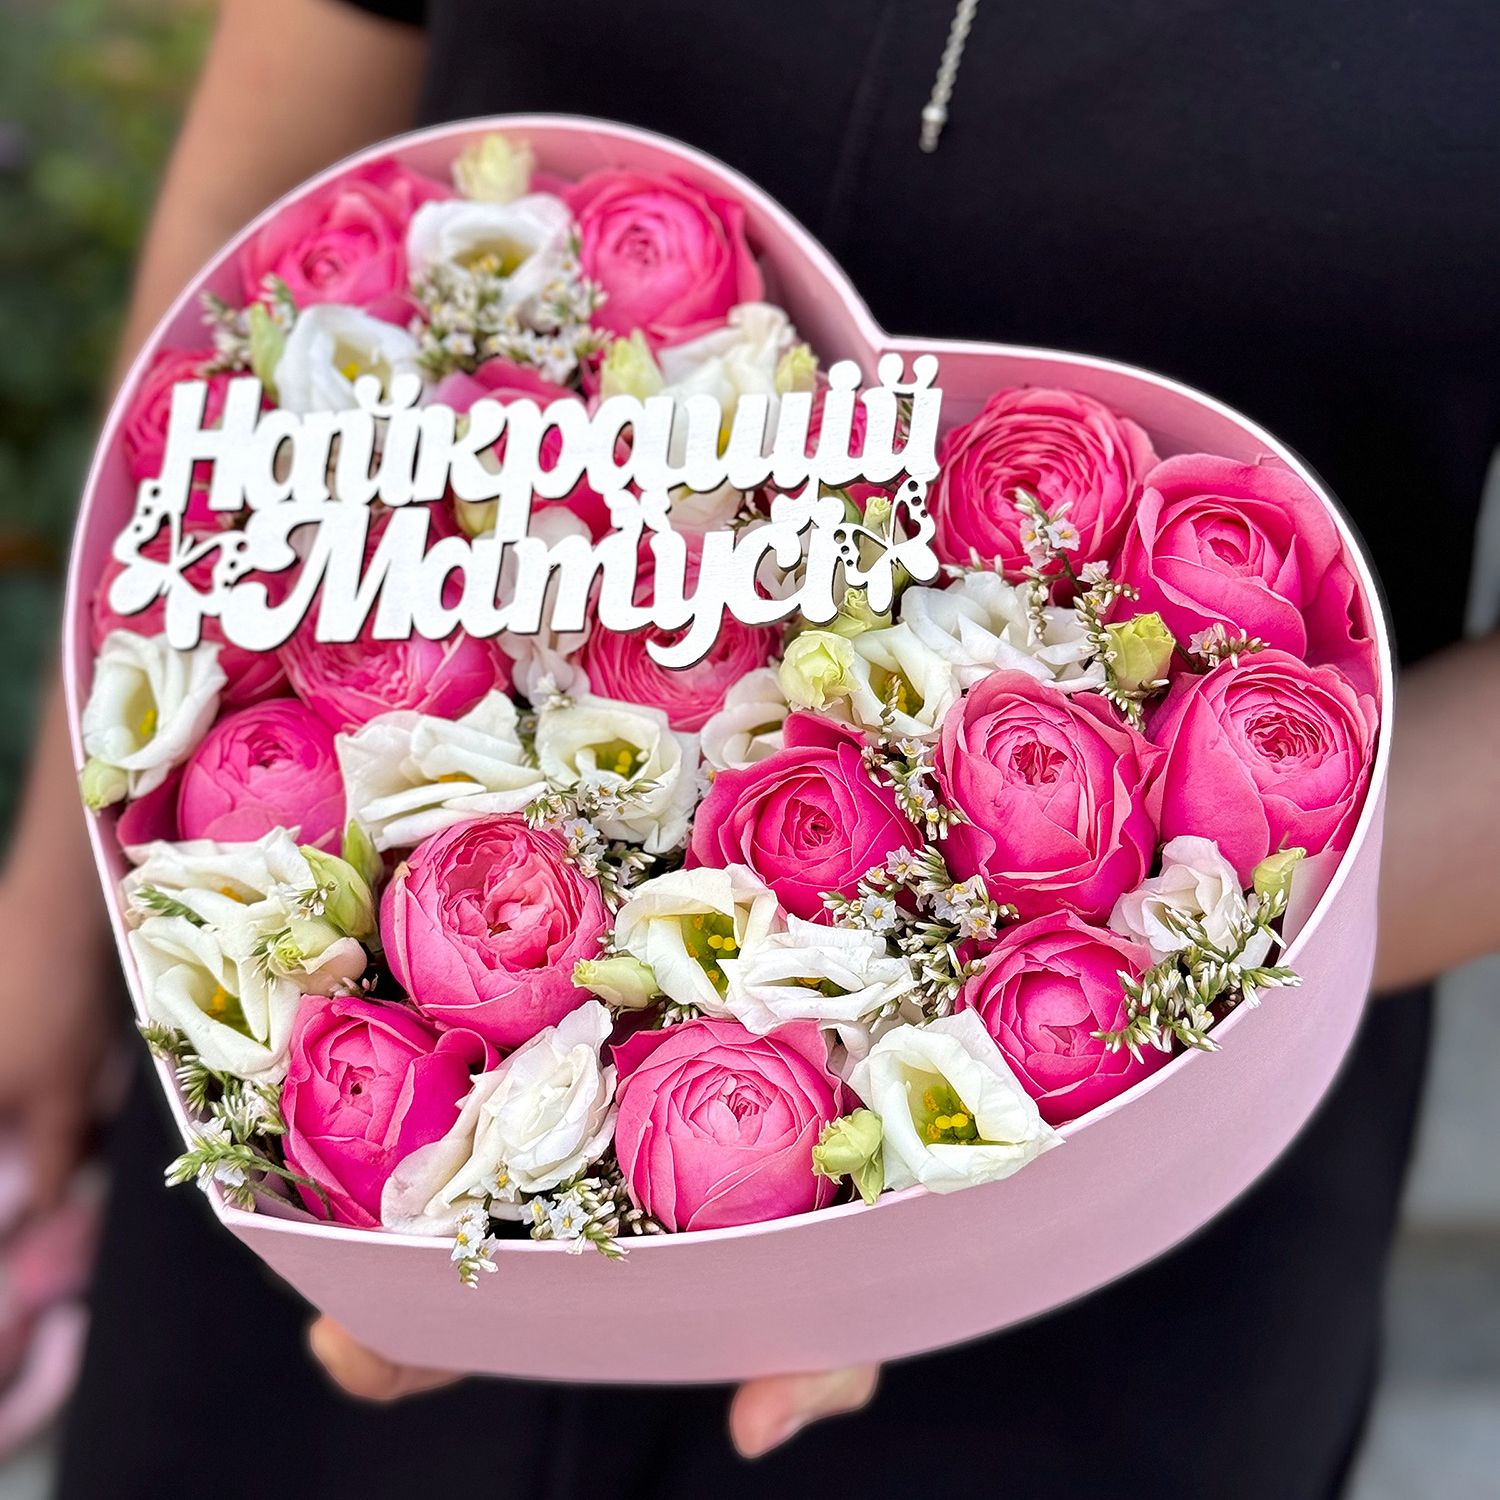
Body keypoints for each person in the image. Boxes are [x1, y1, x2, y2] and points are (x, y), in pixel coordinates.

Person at [3, 0, 1497, 1494]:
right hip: (320, 1069)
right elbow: (293, 135)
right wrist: (62, 912)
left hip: (1119, 1206)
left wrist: (1038, 1148)